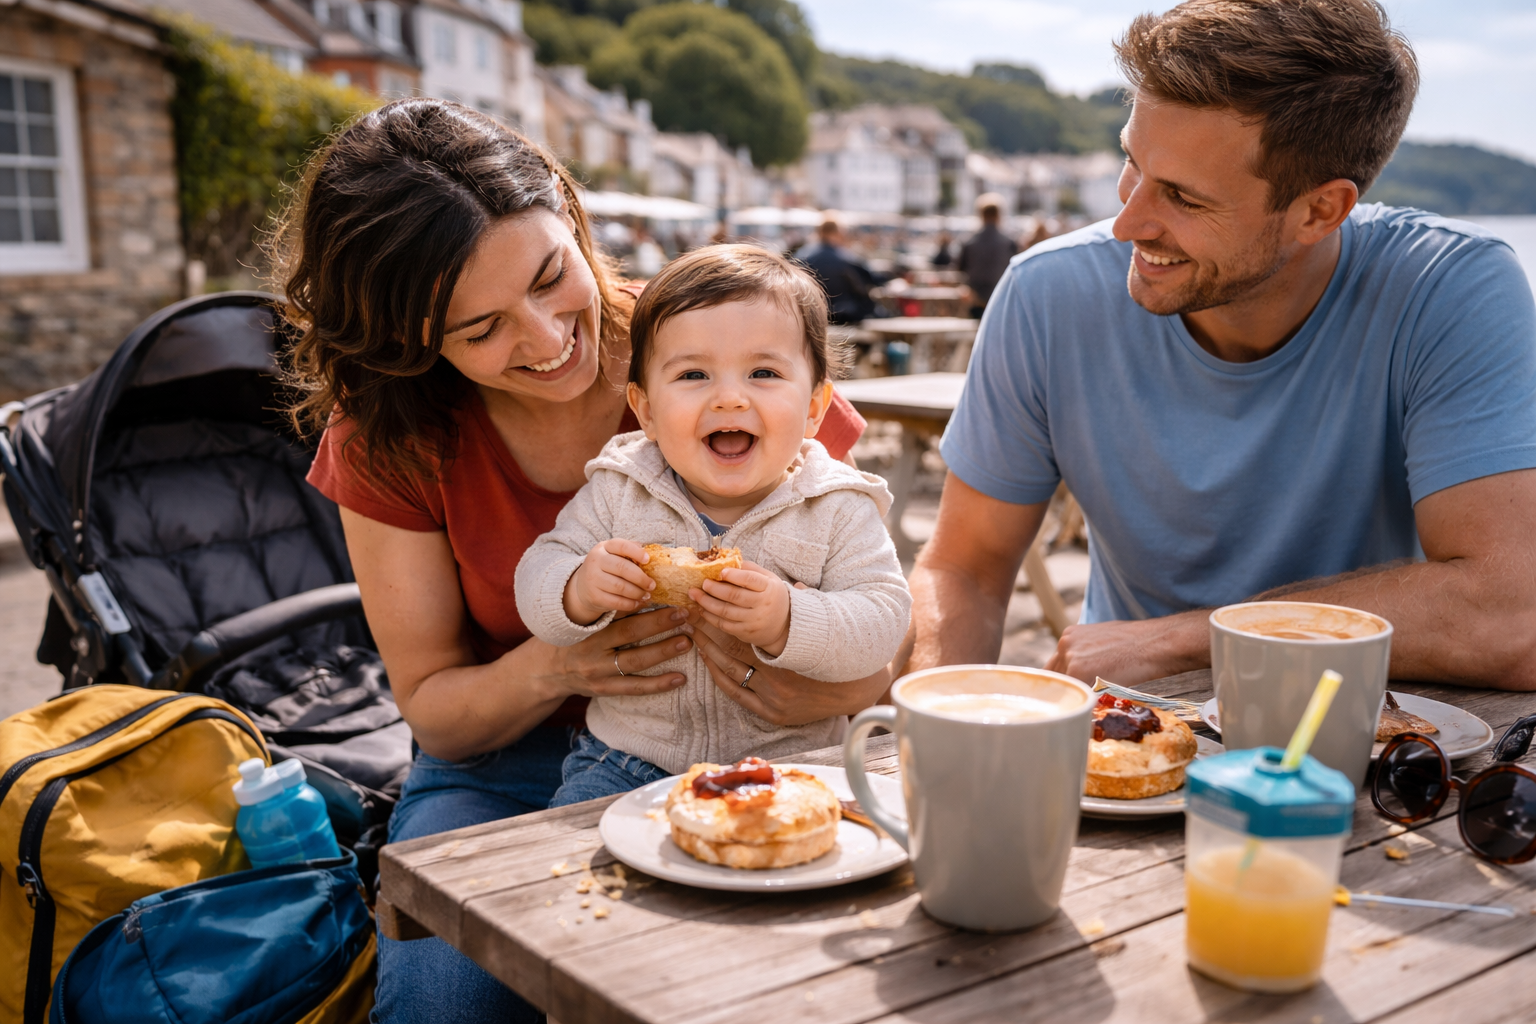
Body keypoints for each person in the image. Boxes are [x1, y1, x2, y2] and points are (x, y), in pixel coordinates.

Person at [274, 99, 886, 1024]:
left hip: (763, 742)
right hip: (500, 763)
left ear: (567, 204)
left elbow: (877, 622)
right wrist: (561, 661)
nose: (546, 337)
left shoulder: (721, 344)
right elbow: (436, 712)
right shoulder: (387, 438)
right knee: (450, 1004)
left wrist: (826, 688)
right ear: (408, 341)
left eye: (550, 276)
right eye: (479, 331)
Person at [907, 0, 1536, 692]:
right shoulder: (1046, 293)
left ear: (1319, 211)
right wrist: (929, 736)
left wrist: (1192, 639)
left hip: (1368, 739)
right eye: (1131, 162)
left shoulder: (1449, 288)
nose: (1126, 223)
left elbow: (1510, 618)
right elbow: (964, 569)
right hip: (1129, 742)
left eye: (1182, 196)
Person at [517, 245, 911, 801]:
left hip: (794, 761)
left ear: (816, 409)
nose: (729, 397)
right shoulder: (618, 488)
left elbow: (883, 620)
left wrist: (788, 618)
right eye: (694, 374)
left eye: (764, 372)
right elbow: (537, 575)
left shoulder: (835, 505)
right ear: (647, 410)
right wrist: (578, 589)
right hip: (627, 761)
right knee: (583, 872)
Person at [798, 215, 882, 324]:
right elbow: (871, 279)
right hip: (845, 316)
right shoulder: (846, 257)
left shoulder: (801, 256)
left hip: (812, 316)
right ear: (837, 233)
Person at [957, 193, 1018, 317]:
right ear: (998, 216)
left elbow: (960, 268)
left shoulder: (969, 241)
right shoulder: (1009, 242)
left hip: (976, 299)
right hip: (1002, 297)